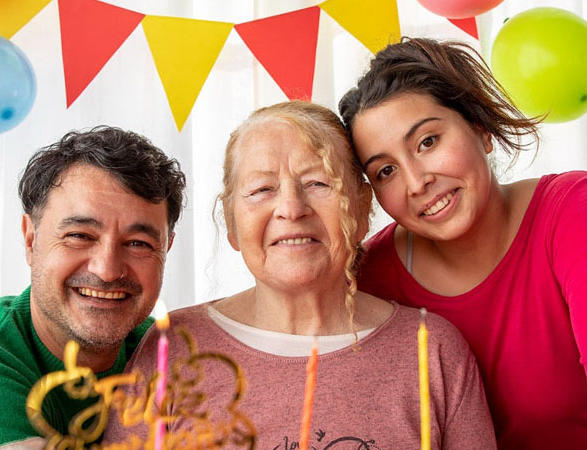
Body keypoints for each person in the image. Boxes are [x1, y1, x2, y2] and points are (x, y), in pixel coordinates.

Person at [338, 37, 587, 449]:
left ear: (480, 129)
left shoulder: (577, 211)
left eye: (428, 142)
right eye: (386, 171)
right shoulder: (369, 279)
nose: (416, 182)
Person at [103, 102, 496, 449]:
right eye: (261, 190)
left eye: (318, 183)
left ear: (361, 210)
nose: (291, 208)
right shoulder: (173, 348)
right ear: (231, 221)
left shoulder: (432, 350)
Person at [0, 126, 186, 449]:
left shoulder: (169, 355)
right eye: (80, 236)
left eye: (138, 243)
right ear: (31, 239)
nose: (107, 270)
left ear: (166, 249)